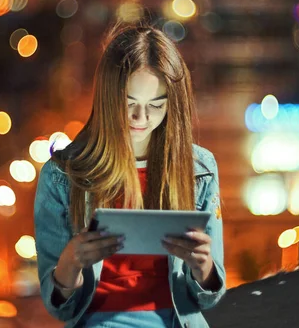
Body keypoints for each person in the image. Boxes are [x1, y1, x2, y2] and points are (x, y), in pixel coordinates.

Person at [34, 22, 225, 328]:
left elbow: (208, 297)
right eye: (130, 103)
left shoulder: (198, 170)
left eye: (156, 105)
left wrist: (205, 269)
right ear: (108, 98)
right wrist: (70, 263)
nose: (142, 118)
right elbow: (59, 308)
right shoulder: (62, 176)